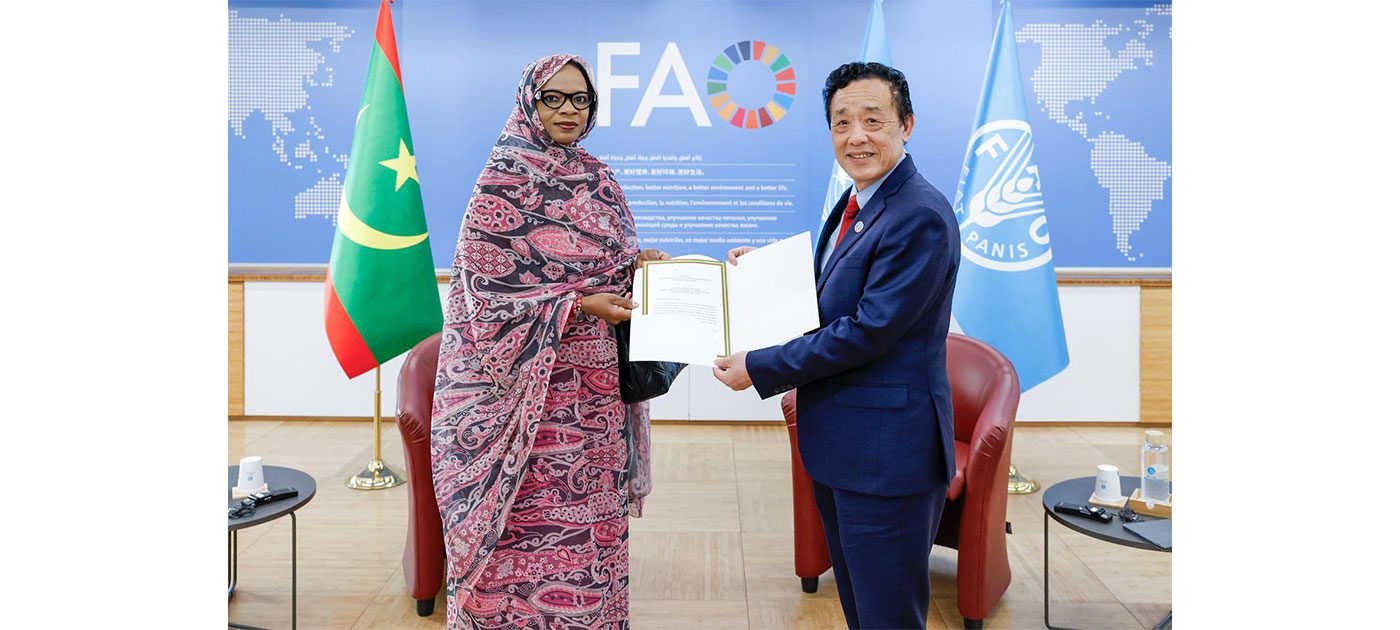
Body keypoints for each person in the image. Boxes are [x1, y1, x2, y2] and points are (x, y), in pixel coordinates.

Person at [712, 61, 960, 629]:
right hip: (846, 445)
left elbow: (869, 330)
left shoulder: (919, 215)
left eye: (873, 120)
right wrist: (767, 273)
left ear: (907, 125)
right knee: (862, 609)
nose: (856, 137)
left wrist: (759, 367)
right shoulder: (860, 202)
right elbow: (840, 291)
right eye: (841, 122)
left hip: (887, 455)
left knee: (887, 616)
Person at [431, 53, 669, 629]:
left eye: (580, 99)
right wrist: (578, 304)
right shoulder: (501, 182)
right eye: (553, 98)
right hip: (522, 404)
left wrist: (638, 266)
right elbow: (484, 298)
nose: (568, 110)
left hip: (595, 399)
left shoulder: (599, 178)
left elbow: (605, 269)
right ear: (529, 101)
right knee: (521, 530)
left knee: (590, 531)